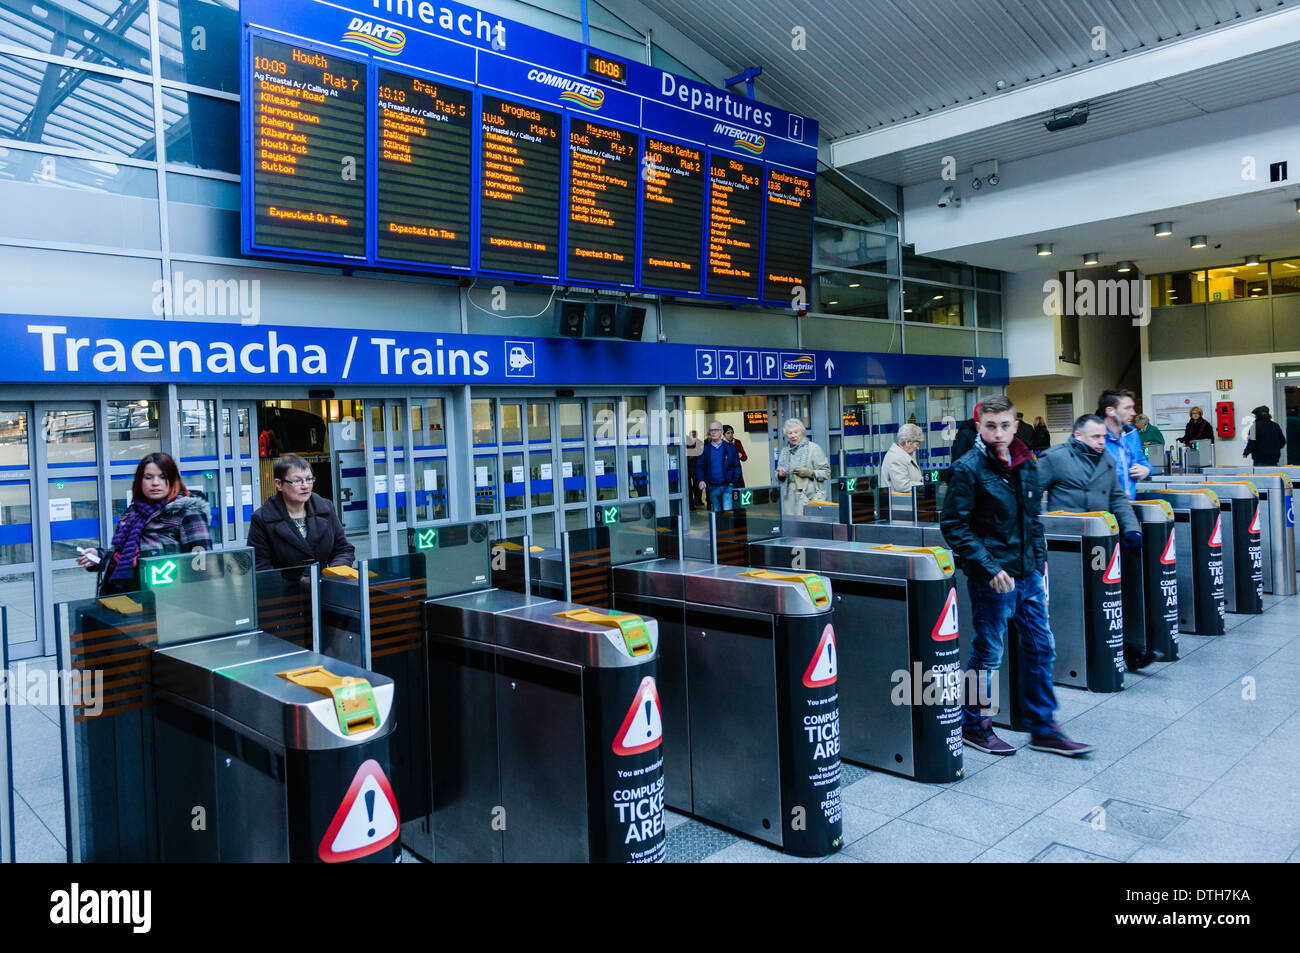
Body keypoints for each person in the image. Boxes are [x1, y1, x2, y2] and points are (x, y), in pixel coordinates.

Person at [940, 395, 1094, 757]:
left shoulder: (1027, 462)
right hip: (994, 578)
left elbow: (1032, 520)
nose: (998, 433)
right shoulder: (968, 468)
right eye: (990, 426)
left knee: (1043, 647)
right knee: (989, 651)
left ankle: (1043, 728)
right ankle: (973, 724)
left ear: (1015, 425)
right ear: (978, 426)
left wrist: (1039, 564)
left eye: (1005, 425)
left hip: (1028, 576)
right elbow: (954, 525)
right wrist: (990, 567)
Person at [76, 452, 211, 596]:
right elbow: (120, 555)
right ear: (140, 481)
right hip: (122, 597)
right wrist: (99, 556)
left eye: (163, 477)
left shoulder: (187, 511)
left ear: (173, 480)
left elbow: (201, 565)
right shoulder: (133, 513)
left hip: (166, 601)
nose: (155, 483)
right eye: (148, 477)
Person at [248, 454, 355, 573]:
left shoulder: (326, 508)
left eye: (309, 479)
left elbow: (343, 549)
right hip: (285, 590)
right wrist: (296, 581)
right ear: (278, 484)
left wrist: (334, 572)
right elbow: (260, 566)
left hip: (325, 585)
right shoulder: (262, 518)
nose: (305, 486)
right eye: (297, 481)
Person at [1096, 389, 1152, 499]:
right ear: (1110, 411)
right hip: (1102, 508)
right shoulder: (1093, 435)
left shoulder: (1132, 434)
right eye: (1127, 408)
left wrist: (1146, 469)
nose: (1133, 413)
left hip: (1127, 504)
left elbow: (1142, 460)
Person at [776, 418, 830, 515]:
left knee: (810, 526)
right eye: (790, 433)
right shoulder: (785, 451)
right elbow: (778, 474)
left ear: (802, 432)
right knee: (793, 526)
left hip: (811, 495)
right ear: (786, 435)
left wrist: (811, 473)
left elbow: (827, 472)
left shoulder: (813, 448)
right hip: (791, 498)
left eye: (796, 432)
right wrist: (781, 475)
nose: (793, 435)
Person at [696, 421, 742, 513]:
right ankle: (721, 527)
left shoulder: (730, 448)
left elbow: (737, 467)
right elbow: (699, 466)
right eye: (711, 430)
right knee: (717, 512)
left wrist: (733, 482)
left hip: (727, 485)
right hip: (712, 487)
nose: (713, 432)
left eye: (716, 430)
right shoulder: (705, 449)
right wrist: (701, 480)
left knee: (727, 510)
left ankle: (728, 527)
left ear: (721, 432)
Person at [882, 423, 924, 494]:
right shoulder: (896, 458)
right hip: (900, 503)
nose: (917, 448)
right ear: (907, 442)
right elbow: (902, 486)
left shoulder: (905, 454)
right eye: (917, 444)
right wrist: (924, 485)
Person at [684, 430, 703, 510]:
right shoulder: (687, 443)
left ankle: (696, 501)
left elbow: (697, 454)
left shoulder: (699, 443)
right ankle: (691, 504)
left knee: (696, 485)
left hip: (694, 467)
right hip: (688, 468)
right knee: (689, 487)